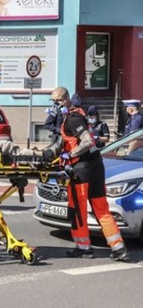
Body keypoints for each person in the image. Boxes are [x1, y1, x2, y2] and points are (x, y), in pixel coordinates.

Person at [54, 86, 129, 261]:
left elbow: (87, 141)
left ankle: (84, 247)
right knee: (101, 210)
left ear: (65, 100)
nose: (54, 104)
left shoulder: (73, 119)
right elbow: (65, 141)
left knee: (78, 210)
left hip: (82, 171)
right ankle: (119, 248)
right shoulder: (77, 116)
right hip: (96, 167)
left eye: (56, 100)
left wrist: (70, 154)